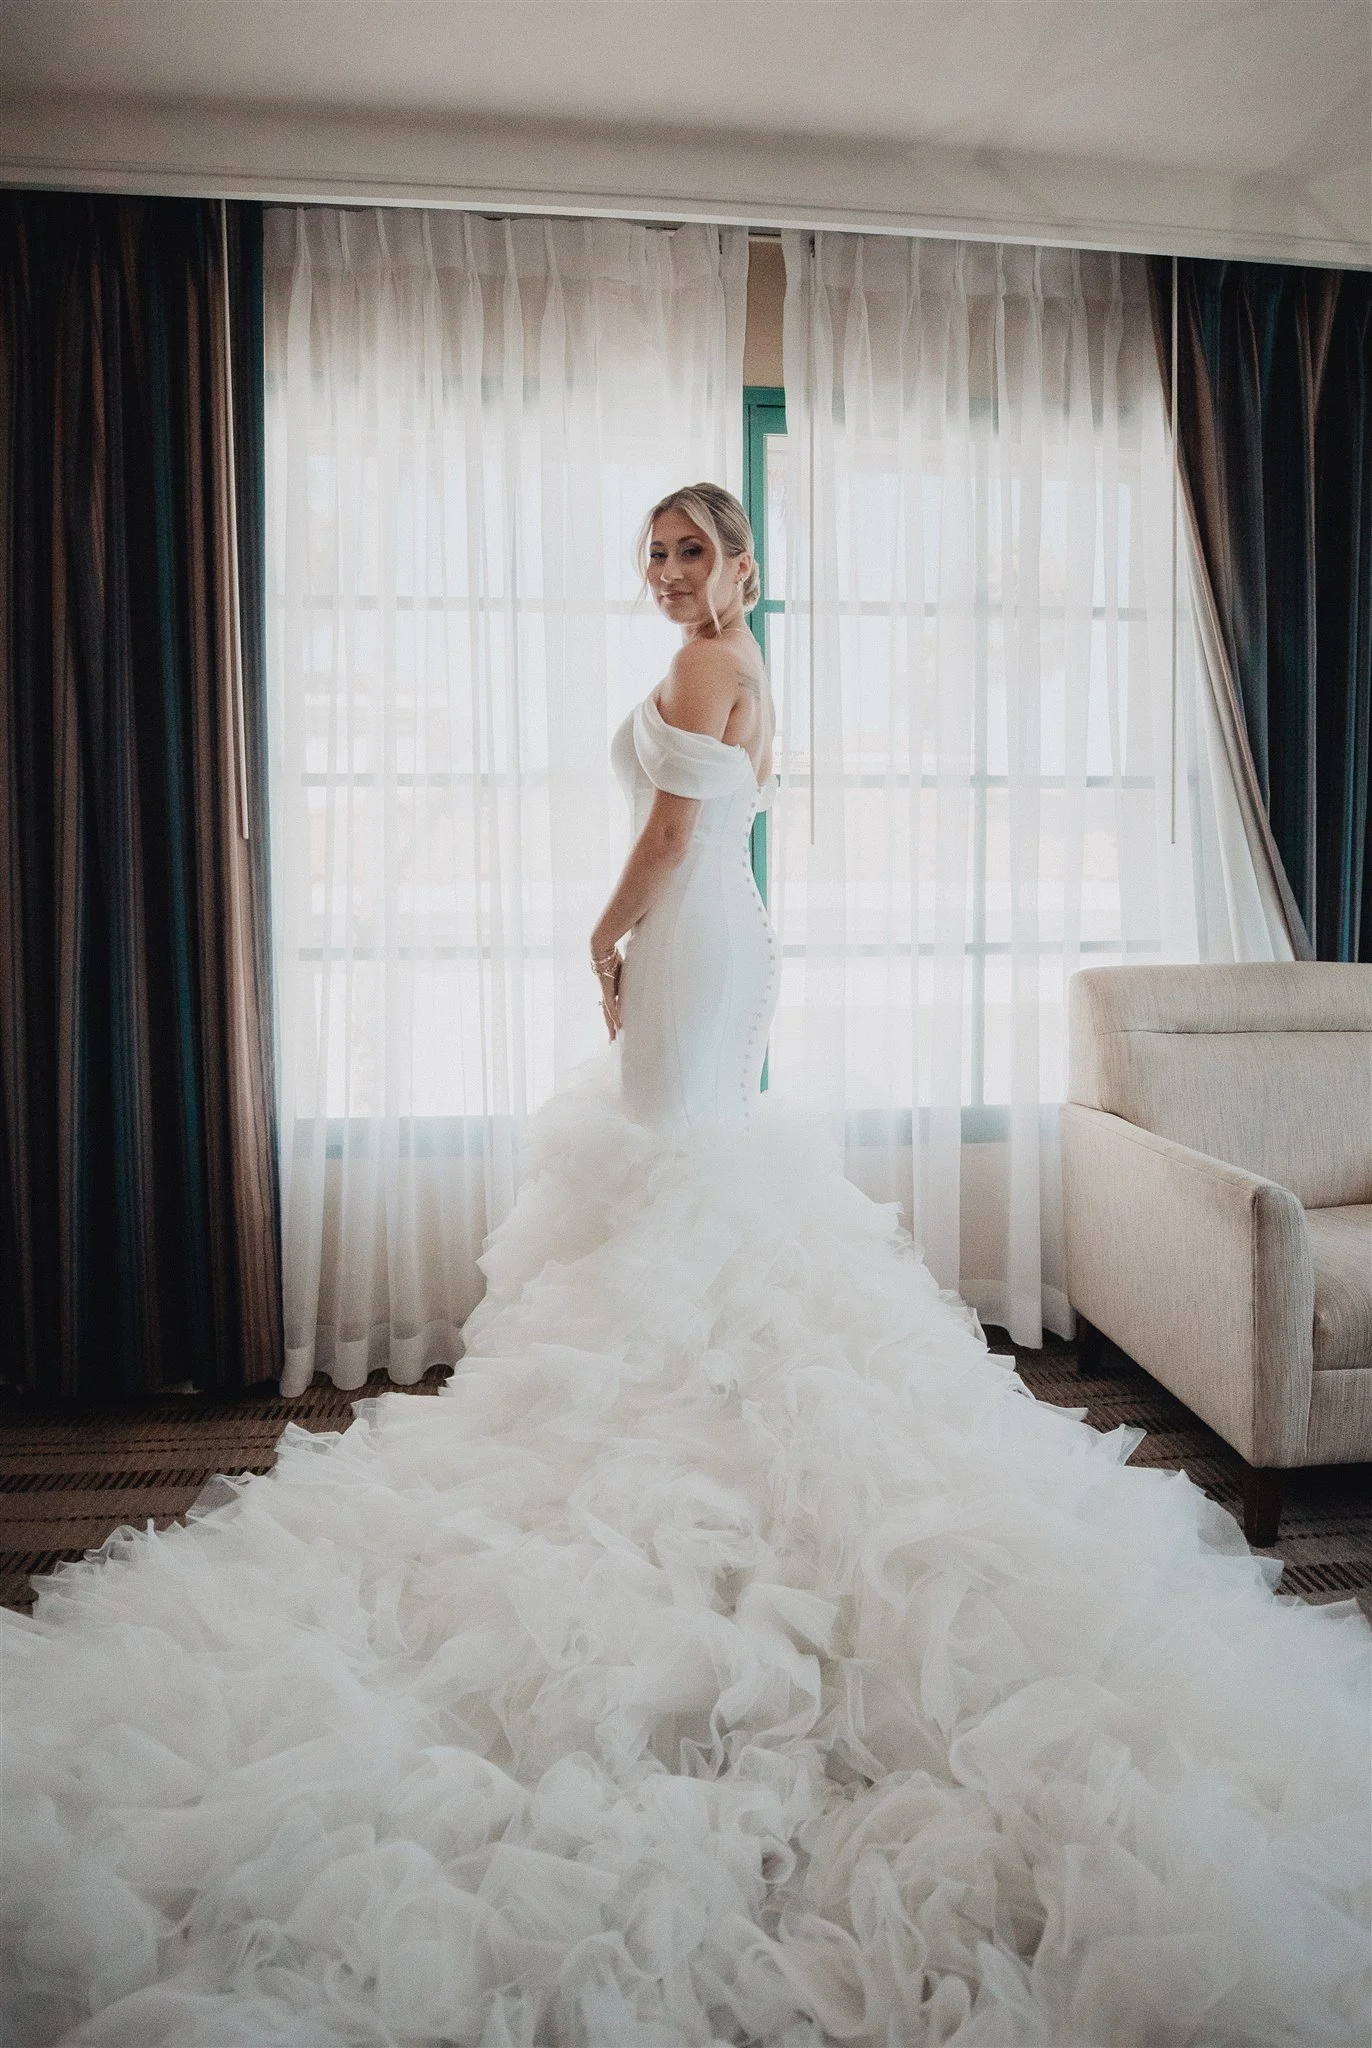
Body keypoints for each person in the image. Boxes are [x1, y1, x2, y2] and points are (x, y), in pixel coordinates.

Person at [2, 488, 1367, 2048]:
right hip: (722, 936)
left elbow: (664, 830)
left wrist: (597, 938)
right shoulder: (743, 658)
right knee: (685, 1170)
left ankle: (694, 1438)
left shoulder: (717, 665)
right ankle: (691, 1405)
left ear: (742, 566)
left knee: (671, 1169)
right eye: (652, 553)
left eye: (690, 552)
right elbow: (696, 822)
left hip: (691, 933)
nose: (667, 575)